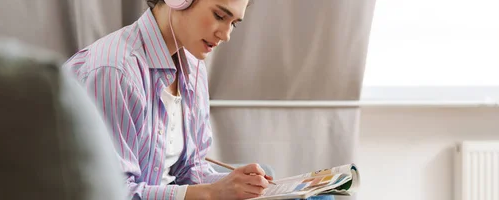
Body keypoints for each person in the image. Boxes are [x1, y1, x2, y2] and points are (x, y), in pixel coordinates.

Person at [63, 0, 334, 199]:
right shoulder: (115, 71)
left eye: (233, 24)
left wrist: (234, 186)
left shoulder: (192, 66)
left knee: (306, 193)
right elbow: (112, 192)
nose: (225, 35)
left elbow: (189, 168)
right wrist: (213, 193)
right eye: (219, 15)